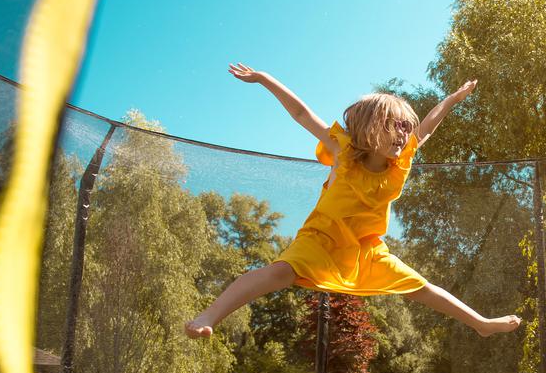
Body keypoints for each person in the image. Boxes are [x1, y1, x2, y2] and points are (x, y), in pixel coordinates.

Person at [184, 63, 522, 339]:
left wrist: (451, 100)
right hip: (322, 240)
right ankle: (210, 314)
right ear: (368, 129)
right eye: (395, 126)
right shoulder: (342, 151)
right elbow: (302, 114)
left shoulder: (400, 163)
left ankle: (480, 324)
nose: (404, 134)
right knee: (278, 274)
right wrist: (265, 79)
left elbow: (428, 127)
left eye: (407, 128)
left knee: (418, 286)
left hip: (366, 248)